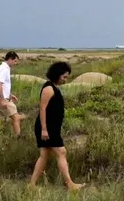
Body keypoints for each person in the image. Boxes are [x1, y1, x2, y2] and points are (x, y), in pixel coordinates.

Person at [29, 61, 84, 191]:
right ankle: (70, 184)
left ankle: (31, 185)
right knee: (61, 152)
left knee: (44, 155)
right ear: (57, 74)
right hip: (47, 128)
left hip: (51, 127)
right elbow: (42, 109)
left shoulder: (54, 87)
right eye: (64, 76)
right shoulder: (48, 88)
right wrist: (44, 129)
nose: (65, 79)